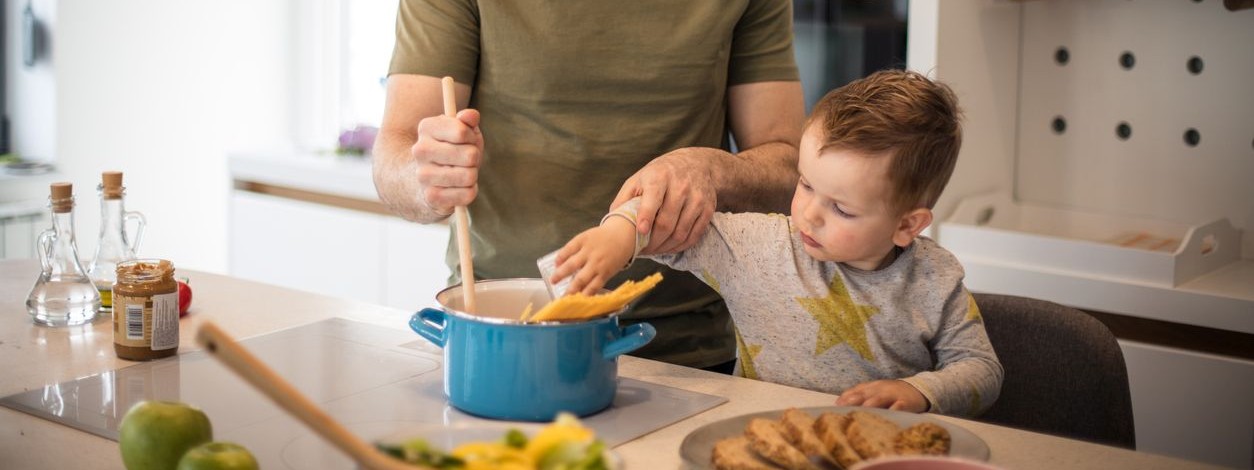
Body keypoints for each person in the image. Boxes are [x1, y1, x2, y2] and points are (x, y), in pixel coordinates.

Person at [372, 0, 805, 373]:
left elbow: (787, 168)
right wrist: (425, 175)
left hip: (686, 347)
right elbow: (396, 155)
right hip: (499, 335)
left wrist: (711, 170)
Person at [549, 70, 1004, 417]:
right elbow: (662, 221)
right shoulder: (758, 246)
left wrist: (920, 393)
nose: (808, 213)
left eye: (841, 209)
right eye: (805, 185)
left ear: (908, 225)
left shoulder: (936, 279)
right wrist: (618, 234)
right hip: (760, 436)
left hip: (880, 451)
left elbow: (982, 370)